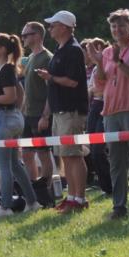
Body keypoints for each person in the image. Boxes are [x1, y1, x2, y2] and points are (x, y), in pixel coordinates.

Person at [88, 9, 129, 220]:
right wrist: (99, 63)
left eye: (121, 26)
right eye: (114, 26)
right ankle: (119, 208)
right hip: (111, 113)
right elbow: (100, 84)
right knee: (116, 163)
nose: (117, 30)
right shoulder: (107, 52)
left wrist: (119, 62)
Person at [0, 33, 40, 218]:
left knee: (4, 165)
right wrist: (17, 113)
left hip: (3, 119)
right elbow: (19, 94)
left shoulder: (5, 69)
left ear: (3, 49)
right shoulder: (7, 69)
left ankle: (5, 207)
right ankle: (32, 202)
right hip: (12, 118)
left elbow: (11, 96)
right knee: (14, 164)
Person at [36, 11, 89, 213]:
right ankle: (72, 196)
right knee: (66, 156)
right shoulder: (60, 49)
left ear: (65, 27)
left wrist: (50, 77)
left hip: (71, 110)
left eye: (54, 25)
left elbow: (73, 81)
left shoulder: (74, 50)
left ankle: (79, 198)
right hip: (60, 110)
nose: (50, 28)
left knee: (74, 155)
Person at [20, 21, 54, 188]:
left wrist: (45, 116)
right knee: (26, 153)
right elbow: (27, 89)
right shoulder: (31, 58)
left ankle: (46, 189)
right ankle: (33, 188)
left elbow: (51, 91)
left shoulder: (47, 58)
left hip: (40, 115)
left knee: (43, 154)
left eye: (26, 34)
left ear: (38, 36)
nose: (23, 38)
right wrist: (22, 111)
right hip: (28, 114)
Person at [83, 37, 113, 195]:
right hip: (94, 107)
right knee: (92, 149)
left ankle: (111, 185)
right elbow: (92, 90)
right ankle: (105, 186)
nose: (88, 54)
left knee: (98, 149)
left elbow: (101, 89)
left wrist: (95, 89)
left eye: (90, 50)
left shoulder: (108, 64)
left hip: (105, 106)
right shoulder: (95, 69)